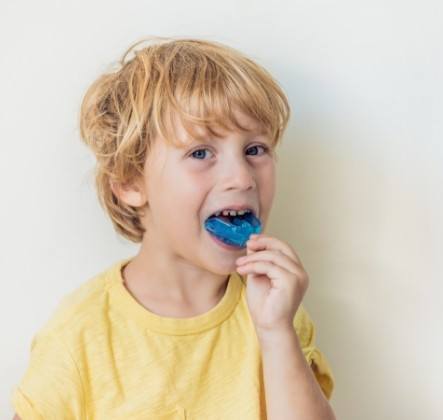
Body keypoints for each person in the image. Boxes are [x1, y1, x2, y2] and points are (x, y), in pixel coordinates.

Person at [10, 36, 336, 420]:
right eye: (201, 153)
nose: (242, 177)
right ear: (131, 182)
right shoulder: (79, 337)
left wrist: (277, 332)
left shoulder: (275, 309)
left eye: (255, 150)